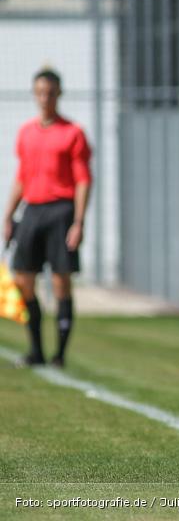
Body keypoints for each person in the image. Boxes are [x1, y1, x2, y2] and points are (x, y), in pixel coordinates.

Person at [2, 69, 92, 367]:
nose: (45, 98)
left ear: (59, 94)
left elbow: (82, 180)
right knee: (23, 280)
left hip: (61, 211)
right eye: (40, 92)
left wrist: (78, 222)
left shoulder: (73, 132)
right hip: (32, 210)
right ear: (34, 94)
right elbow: (21, 177)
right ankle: (36, 350)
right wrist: (8, 215)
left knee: (60, 283)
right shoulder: (26, 132)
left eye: (50, 93)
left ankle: (60, 355)